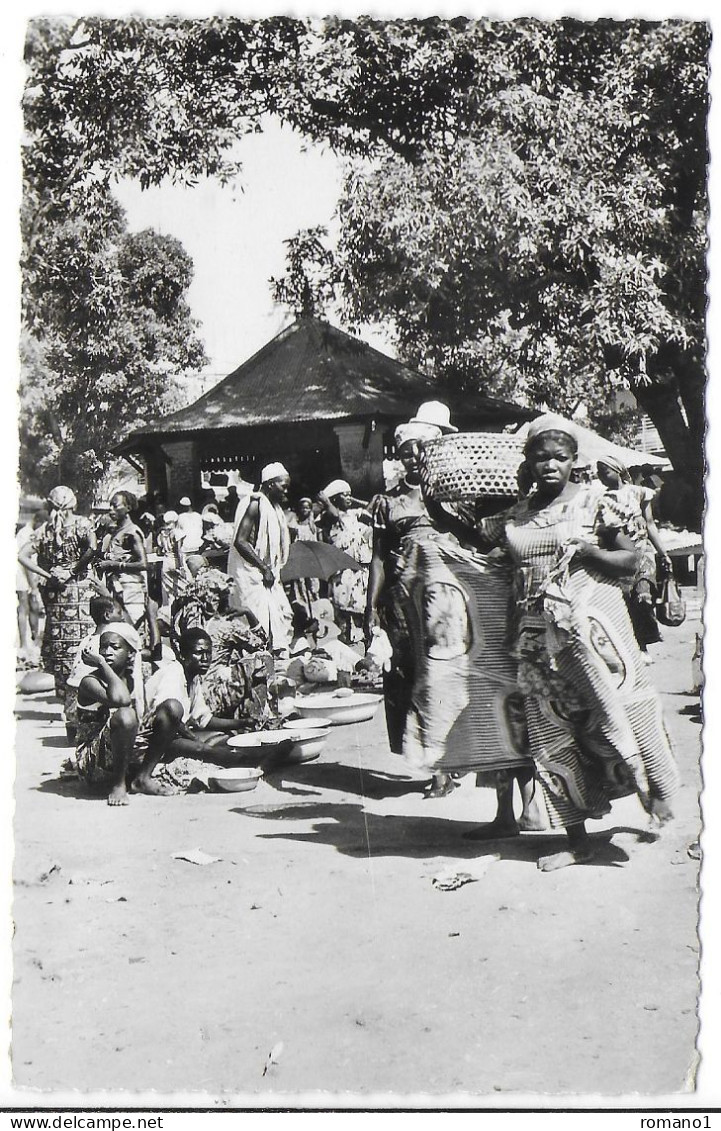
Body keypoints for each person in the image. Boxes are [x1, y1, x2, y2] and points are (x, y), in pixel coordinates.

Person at [460, 415, 680, 869]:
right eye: (541, 459)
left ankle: (655, 789)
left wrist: (590, 552)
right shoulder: (517, 515)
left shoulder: (597, 502)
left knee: (622, 715)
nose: (550, 466)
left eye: (560, 458)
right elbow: (473, 541)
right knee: (552, 734)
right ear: (529, 463)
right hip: (536, 642)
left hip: (596, 637)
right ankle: (575, 838)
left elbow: (631, 560)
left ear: (575, 461)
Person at [364, 409, 460, 798]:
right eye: (406, 450)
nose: (414, 456)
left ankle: (455, 759)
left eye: (421, 448)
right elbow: (377, 558)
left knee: (447, 676)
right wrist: (370, 606)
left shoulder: (451, 495)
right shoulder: (386, 503)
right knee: (417, 678)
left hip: (448, 601)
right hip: (405, 603)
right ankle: (438, 768)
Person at [18, 486, 97, 742]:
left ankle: (70, 722)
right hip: (80, 598)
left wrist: (49, 574)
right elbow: (92, 549)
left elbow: (22, 556)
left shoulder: (45, 531)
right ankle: (86, 720)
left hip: (56, 599)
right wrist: (73, 570)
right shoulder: (83, 524)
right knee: (83, 656)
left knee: (63, 661)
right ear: (74, 503)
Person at [131, 627, 248, 796]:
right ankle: (246, 762)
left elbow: (203, 719)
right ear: (184, 655)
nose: (205, 659)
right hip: (151, 741)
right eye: (199, 653)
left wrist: (241, 723)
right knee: (203, 749)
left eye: (208, 653)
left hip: (171, 736)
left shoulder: (192, 678)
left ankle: (239, 757)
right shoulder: (173, 673)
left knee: (225, 738)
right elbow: (169, 715)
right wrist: (194, 740)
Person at [169, 567, 272, 723]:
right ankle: (260, 718)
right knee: (263, 659)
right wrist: (248, 613)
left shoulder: (181, 620)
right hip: (214, 697)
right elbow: (263, 644)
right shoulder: (227, 626)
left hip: (189, 694)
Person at [596, 457, 672, 657]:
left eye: (605, 471)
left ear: (618, 470)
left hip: (643, 551)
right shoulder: (601, 500)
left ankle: (646, 639)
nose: (601, 476)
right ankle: (638, 646)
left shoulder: (638, 492)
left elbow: (650, 524)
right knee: (627, 601)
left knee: (643, 597)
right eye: (598, 472)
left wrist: (663, 552)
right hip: (619, 556)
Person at [74, 623, 146, 806]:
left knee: (170, 709)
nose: (107, 652)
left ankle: (144, 777)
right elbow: (121, 700)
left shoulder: (135, 679)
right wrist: (101, 664)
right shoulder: (90, 682)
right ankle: (119, 784)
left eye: (114, 647)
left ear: (130, 653)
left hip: (123, 751)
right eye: (103, 647)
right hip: (92, 762)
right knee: (125, 716)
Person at [226, 462, 294, 655]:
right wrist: (264, 568)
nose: (286, 491)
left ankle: (273, 659)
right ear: (270, 484)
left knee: (282, 614)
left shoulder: (273, 507)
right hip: (251, 574)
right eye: (283, 485)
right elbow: (240, 541)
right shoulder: (255, 503)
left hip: (265, 572)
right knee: (258, 621)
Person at [317, 479, 373, 643]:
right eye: (344, 495)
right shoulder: (329, 515)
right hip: (343, 571)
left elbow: (372, 507)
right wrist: (328, 501)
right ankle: (345, 646)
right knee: (343, 610)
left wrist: (351, 498)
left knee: (362, 610)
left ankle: (364, 645)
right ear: (334, 499)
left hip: (361, 569)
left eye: (350, 495)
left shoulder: (355, 514)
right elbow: (334, 514)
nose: (349, 498)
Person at [95, 491, 149, 635]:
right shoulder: (117, 531)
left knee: (133, 629)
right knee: (120, 628)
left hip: (131, 588)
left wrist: (112, 565)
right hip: (118, 587)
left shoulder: (132, 532)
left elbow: (143, 564)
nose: (111, 510)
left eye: (115, 506)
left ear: (128, 508)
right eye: (110, 506)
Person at [16, 508, 47, 662]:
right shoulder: (26, 533)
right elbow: (25, 562)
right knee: (24, 607)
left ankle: (35, 639)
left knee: (34, 606)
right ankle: (23, 644)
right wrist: (33, 587)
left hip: (30, 573)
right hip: (21, 573)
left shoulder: (30, 531)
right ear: (38, 521)